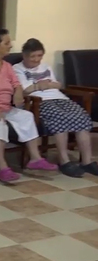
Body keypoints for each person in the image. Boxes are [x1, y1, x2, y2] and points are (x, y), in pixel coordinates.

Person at [0, 29, 58, 182]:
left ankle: (35, 159)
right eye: (7, 43)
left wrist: (18, 92)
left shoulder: (6, 66)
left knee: (27, 116)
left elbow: (16, 84)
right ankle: (2, 167)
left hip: (4, 107)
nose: (11, 46)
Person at [13, 38, 98, 177]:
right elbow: (22, 91)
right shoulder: (17, 69)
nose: (36, 60)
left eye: (39, 56)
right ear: (24, 56)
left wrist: (49, 85)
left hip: (59, 97)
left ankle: (87, 162)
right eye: (32, 56)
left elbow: (57, 84)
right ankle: (64, 161)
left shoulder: (46, 67)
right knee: (61, 118)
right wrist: (39, 86)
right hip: (37, 101)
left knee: (82, 117)